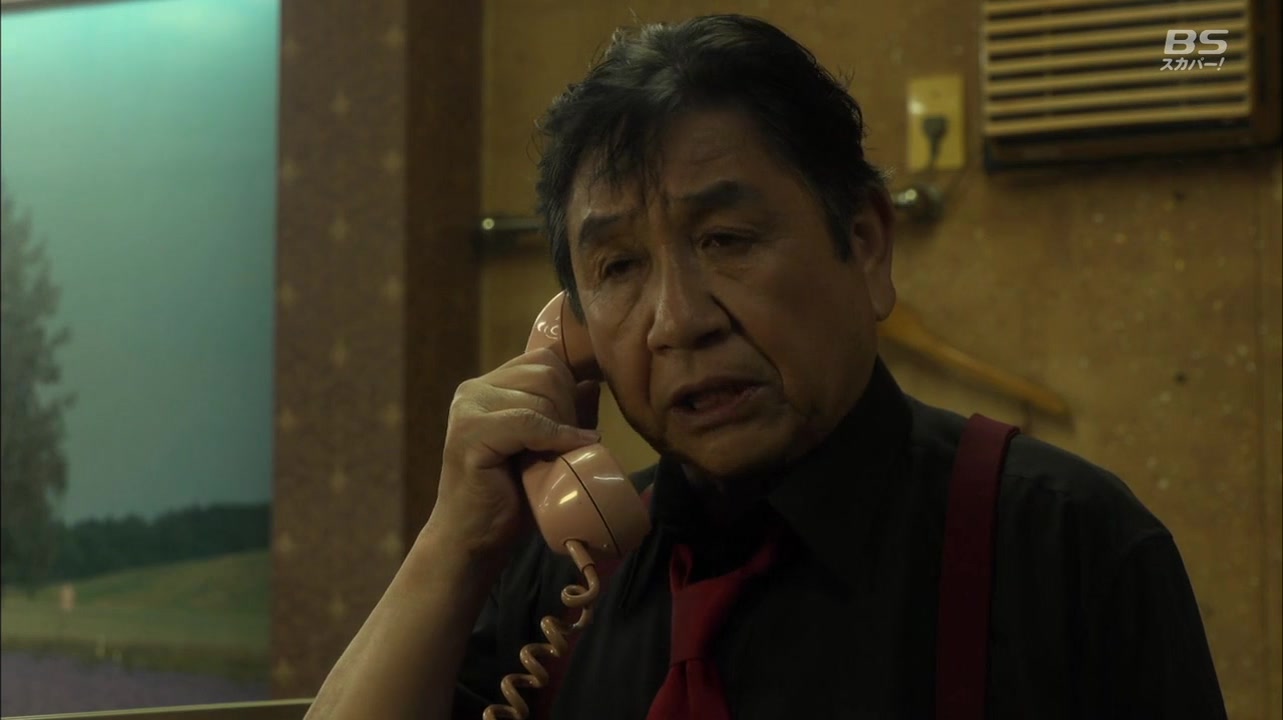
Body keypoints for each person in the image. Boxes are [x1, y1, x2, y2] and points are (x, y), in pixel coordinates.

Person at [304, 14, 1227, 720]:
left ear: (865, 244)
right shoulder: (562, 580)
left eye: (727, 239)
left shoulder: (1064, 545)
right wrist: (455, 545)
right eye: (618, 268)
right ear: (572, 327)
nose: (678, 322)